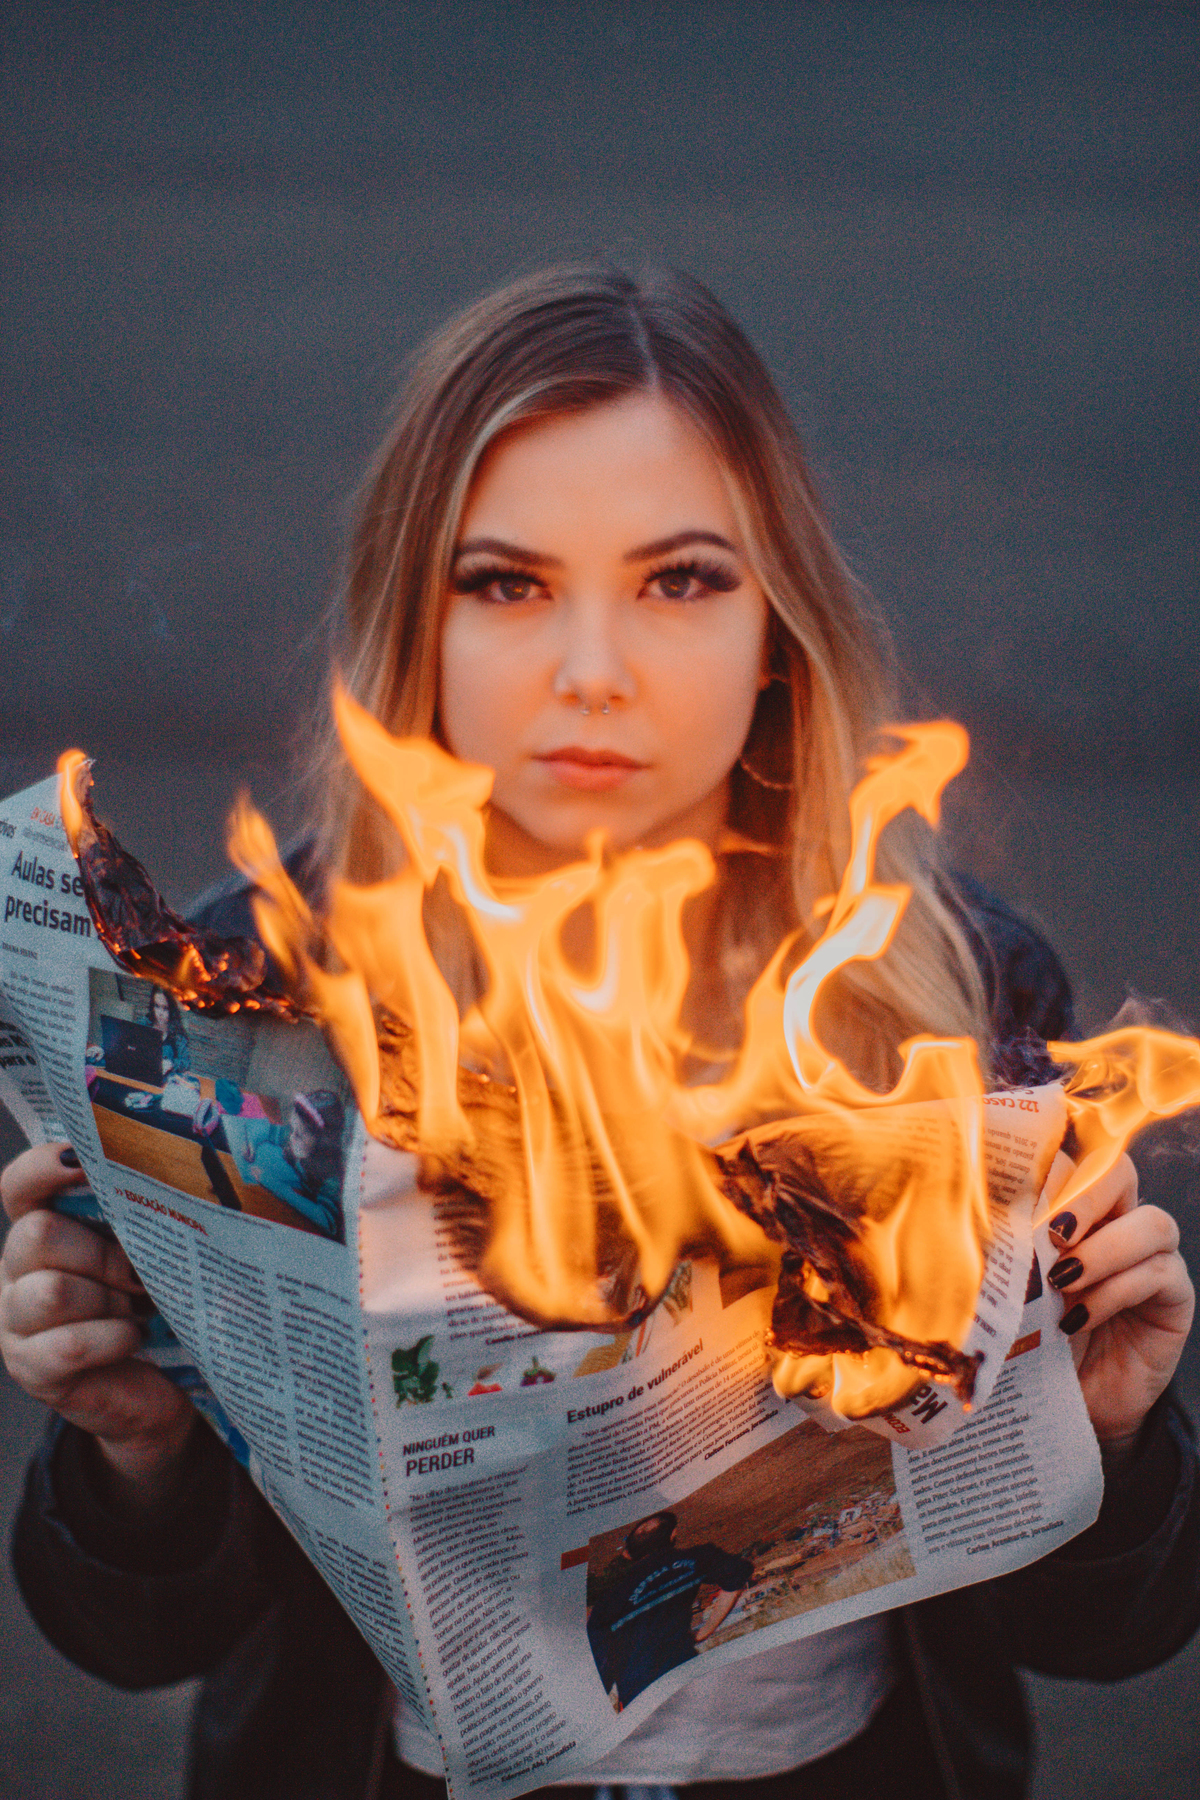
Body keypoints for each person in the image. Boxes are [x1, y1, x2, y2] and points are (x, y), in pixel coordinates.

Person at [1, 266, 1197, 1800]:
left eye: (680, 579)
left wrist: (1109, 1436)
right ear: (410, 623)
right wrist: (134, 1451)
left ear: (779, 625)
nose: (592, 671)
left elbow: (1111, 1635)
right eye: (504, 583)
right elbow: (134, 1640)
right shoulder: (252, 991)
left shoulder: (946, 993)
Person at [587, 1512, 752, 1707]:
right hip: (687, 1677)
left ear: (629, 1551)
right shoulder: (695, 1559)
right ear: (673, 1535)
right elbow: (735, 1580)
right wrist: (704, 1632)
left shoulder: (608, 1603)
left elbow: (599, 1673)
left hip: (640, 1699)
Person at [228, 1089, 346, 1240]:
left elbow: (328, 1223)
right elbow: (267, 1130)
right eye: (292, 1129)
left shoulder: (332, 1177)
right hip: (302, 1190)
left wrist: (277, 1187)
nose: (290, 1137)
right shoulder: (295, 1135)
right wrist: (252, 1144)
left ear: (323, 1143)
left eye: (298, 1135)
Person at [147, 983, 191, 1077]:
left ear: (172, 1009)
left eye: (165, 1008)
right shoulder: (144, 1024)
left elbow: (186, 1064)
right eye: (157, 1006)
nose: (160, 1013)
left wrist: (171, 1064)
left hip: (163, 1083)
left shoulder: (178, 1036)